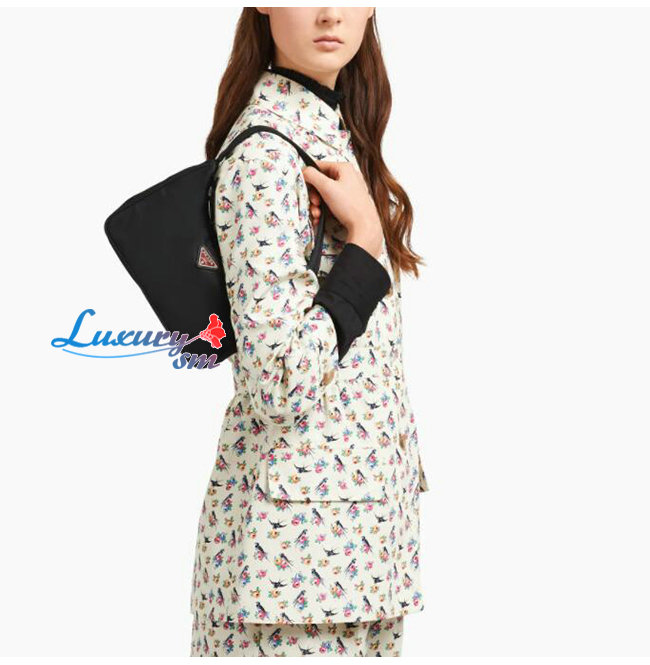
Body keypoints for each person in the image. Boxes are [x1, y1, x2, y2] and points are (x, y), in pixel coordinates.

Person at [189, 7, 429, 657]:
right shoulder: (268, 156)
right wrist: (365, 248)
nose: (330, 12)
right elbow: (278, 381)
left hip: (347, 552)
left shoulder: (329, 133)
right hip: (294, 567)